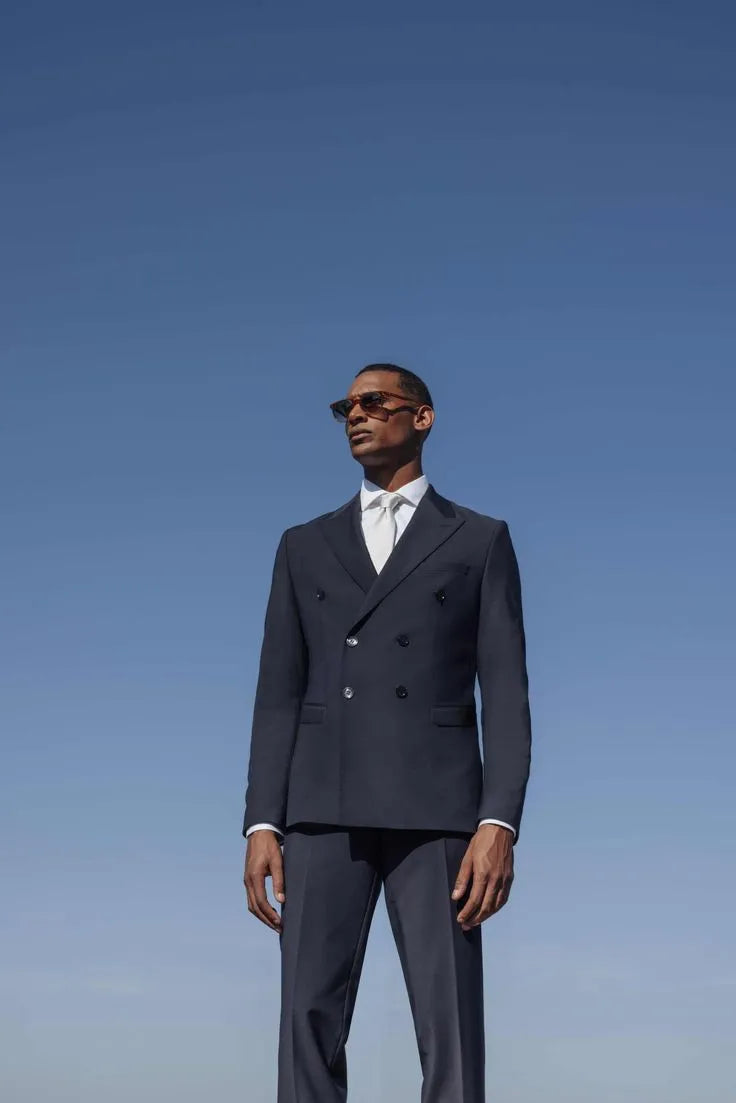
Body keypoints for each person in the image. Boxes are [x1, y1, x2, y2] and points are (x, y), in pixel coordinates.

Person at [242, 363, 532, 1102]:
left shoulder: (479, 539)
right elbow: (278, 694)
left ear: (422, 418)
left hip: (438, 812)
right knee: (305, 1018)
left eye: (374, 402)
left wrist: (499, 819)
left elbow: (504, 691)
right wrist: (262, 820)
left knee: (451, 1027)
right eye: (346, 405)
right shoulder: (301, 544)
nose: (355, 415)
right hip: (320, 807)